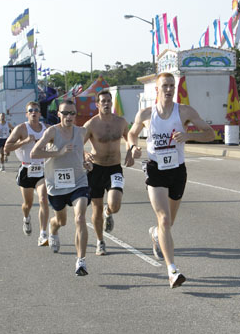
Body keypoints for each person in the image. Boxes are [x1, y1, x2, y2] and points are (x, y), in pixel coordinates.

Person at [128, 72, 215, 289]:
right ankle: (172, 270)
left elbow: (210, 133)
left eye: (171, 85)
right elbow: (131, 133)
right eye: (164, 85)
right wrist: (133, 146)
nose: (168, 89)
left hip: (177, 170)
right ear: (156, 89)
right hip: (155, 169)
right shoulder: (146, 114)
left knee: (168, 223)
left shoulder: (184, 111)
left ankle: (156, 234)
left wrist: (189, 136)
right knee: (165, 219)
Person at [30, 99, 92, 276]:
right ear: (58, 114)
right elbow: (35, 152)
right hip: (56, 185)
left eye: (72, 113)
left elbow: (81, 153)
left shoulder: (81, 132)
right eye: (65, 113)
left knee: (80, 217)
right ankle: (53, 228)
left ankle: (81, 261)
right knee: (61, 221)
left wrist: (87, 163)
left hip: (78, 181)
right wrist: (58, 153)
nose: (69, 116)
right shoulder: (52, 131)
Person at [83, 89, 134, 256]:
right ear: (97, 104)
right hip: (96, 169)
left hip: (114, 168)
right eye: (103, 101)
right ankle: (100, 241)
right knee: (96, 209)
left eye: (108, 101)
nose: (106, 104)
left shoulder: (120, 122)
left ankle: (109, 212)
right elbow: (78, 144)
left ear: (112, 103)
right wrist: (85, 154)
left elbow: (129, 138)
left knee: (115, 205)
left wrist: (130, 150)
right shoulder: (91, 124)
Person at [4, 101, 50, 246]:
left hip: (42, 168)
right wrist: (24, 141)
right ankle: (26, 218)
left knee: (43, 199)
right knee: (27, 204)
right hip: (26, 169)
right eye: (31, 110)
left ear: (40, 114)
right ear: (27, 114)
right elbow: (7, 148)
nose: (34, 113)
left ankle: (43, 234)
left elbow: (57, 142)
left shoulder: (47, 129)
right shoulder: (21, 128)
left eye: (36, 110)